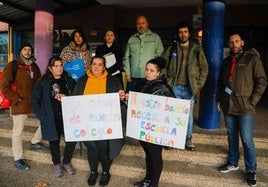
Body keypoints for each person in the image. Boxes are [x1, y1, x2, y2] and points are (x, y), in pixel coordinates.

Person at [216, 34, 267, 187]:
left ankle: (251, 170)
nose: (234, 44)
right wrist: (220, 99)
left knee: (246, 139)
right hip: (229, 105)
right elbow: (221, 82)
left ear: (242, 43)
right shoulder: (226, 62)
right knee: (232, 136)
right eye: (231, 42)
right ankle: (233, 162)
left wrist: (252, 101)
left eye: (237, 41)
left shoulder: (252, 59)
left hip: (245, 107)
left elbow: (262, 81)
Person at [72, 55, 125, 186]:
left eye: (100, 64)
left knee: (103, 147)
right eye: (94, 64)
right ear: (90, 65)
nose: (96, 67)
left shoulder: (112, 81)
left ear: (104, 66)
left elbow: (120, 103)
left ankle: (106, 172)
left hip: (105, 124)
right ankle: (93, 171)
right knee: (92, 148)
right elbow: (74, 100)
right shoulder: (82, 81)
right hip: (87, 123)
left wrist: (121, 98)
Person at [125, 57, 175, 187]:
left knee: (156, 156)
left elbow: (174, 108)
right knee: (148, 153)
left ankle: (154, 184)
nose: (147, 72)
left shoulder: (164, 88)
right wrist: (125, 98)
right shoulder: (140, 84)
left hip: (156, 129)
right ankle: (148, 180)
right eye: (146, 69)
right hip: (142, 127)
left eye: (151, 70)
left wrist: (185, 106)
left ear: (158, 73)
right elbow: (132, 104)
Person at [162, 22, 209, 151]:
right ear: (178, 34)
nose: (183, 34)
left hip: (189, 88)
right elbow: (163, 63)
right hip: (174, 87)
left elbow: (204, 68)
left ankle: (188, 138)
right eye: (180, 32)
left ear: (189, 33)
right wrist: (166, 78)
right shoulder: (172, 48)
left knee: (188, 115)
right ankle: (172, 139)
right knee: (173, 114)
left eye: (185, 32)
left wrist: (198, 84)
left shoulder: (196, 49)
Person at [0, 42, 46, 171]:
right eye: (25, 49)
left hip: (33, 102)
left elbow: (39, 83)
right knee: (17, 132)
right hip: (19, 104)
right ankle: (17, 158)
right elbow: (4, 87)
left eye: (29, 49)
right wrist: (17, 98)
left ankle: (35, 141)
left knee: (46, 118)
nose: (27, 52)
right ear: (20, 51)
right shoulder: (12, 66)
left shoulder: (34, 66)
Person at [31, 57, 77, 177]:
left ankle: (66, 162)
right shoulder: (43, 82)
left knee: (71, 140)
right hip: (51, 117)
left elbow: (76, 98)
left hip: (68, 117)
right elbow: (34, 101)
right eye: (56, 66)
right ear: (50, 68)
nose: (59, 68)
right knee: (54, 141)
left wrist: (65, 97)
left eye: (61, 65)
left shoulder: (68, 80)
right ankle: (56, 164)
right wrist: (42, 116)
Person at [123, 15, 164, 92]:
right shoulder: (131, 39)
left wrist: (155, 73)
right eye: (138, 23)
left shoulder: (155, 38)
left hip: (150, 78)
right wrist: (127, 74)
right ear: (136, 25)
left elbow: (160, 57)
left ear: (147, 24)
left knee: (147, 101)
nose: (141, 25)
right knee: (131, 100)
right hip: (133, 77)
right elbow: (126, 57)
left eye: (143, 23)